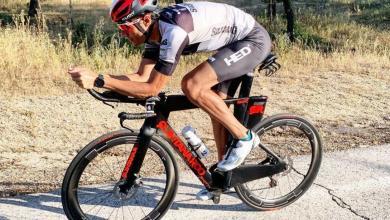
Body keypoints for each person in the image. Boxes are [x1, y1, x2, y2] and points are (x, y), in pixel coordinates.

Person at [68, 0, 271, 200]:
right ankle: (223, 175)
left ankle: (245, 138)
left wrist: (101, 80)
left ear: (145, 19)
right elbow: (141, 78)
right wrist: (100, 79)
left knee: (192, 85)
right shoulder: (155, 33)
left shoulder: (173, 32)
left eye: (124, 26)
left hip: (251, 40)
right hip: (232, 43)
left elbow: (152, 87)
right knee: (214, 101)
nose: (122, 32)